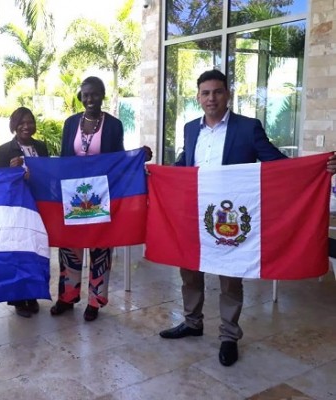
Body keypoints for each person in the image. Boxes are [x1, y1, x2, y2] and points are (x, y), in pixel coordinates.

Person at [157, 69, 336, 367]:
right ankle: (192, 322)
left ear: (228, 95)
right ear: (198, 97)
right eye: (205, 93)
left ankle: (229, 335)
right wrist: (160, 174)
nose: (211, 98)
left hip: (229, 216)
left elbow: (278, 164)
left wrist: (318, 168)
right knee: (189, 269)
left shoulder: (247, 127)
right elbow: (184, 165)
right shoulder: (190, 129)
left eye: (217, 92)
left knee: (230, 276)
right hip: (196, 212)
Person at [49, 76, 152, 322]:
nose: (90, 99)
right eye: (85, 94)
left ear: (102, 95)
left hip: (101, 195)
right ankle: (67, 296)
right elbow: (64, 159)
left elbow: (117, 159)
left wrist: (138, 157)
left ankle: (95, 300)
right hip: (73, 194)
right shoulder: (71, 122)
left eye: (95, 94)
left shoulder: (114, 125)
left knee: (100, 245)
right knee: (70, 245)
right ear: (81, 97)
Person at [0, 107, 49, 318]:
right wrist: (10, 170)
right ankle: (18, 297)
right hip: (15, 209)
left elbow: (49, 176)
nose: (27, 126)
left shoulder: (41, 147)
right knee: (17, 252)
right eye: (21, 122)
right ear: (14, 125)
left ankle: (32, 294)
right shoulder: (3, 151)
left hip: (38, 206)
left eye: (30, 122)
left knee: (35, 251)